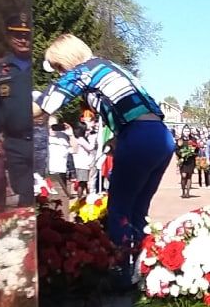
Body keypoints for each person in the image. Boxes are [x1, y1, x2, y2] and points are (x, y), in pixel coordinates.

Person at [38, 34, 175, 255]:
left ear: (67, 58)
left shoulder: (85, 70)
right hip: (161, 136)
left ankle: (121, 268)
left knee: (118, 209)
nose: (60, 73)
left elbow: (46, 102)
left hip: (138, 137)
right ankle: (143, 264)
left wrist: (14, 117)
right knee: (138, 209)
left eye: (59, 67)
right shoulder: (108, 66)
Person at [0, 13, 35, 204]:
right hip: (15, 142)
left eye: (27, 35)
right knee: (22, 190)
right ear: (9, 37)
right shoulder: (0, 69)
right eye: (18, 35)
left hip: (39, 138)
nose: (23, 40)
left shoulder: (42, 64)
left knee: (42, 191)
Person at [47, 120, 73, 200]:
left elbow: (74, 149)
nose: (53, 128)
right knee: (48, 201)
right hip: (47, 173)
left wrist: (71, 134)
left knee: (62, 200)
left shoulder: (64, 135)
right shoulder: (42, 136)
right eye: (50, 126)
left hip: (62, 171)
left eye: (55, 125)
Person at [175, 134, 199, 198]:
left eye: (188, 131)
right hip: (183, 160)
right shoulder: (180, 140)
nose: (187, 132)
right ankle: (183, 191)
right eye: (185, 131)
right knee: (183, 175)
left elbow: (197, 149)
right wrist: (181, 154)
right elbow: (176, 149)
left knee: (189, 176)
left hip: (191, 160)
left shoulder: (193, 139)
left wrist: (192, 152)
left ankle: (187, 193)